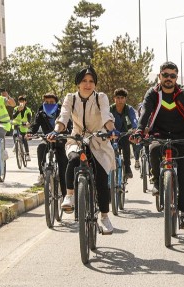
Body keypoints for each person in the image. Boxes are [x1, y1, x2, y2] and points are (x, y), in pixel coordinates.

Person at [48, 66, 118, 235]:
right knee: (73, 159)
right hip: (77, 138)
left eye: (91, 81)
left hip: (98, 140)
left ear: (95, 84)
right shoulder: (70, 98)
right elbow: (64, 115)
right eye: (84, 81)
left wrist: (112, 130)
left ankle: (104, 216)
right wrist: (57, 130)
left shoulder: (101, 97)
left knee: (101, 178)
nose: (88, 84)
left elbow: (106, 115)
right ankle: (70, 196)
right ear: (78, 83)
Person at [131, 61, 184, 229]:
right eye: (165, 75)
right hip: (159, 133)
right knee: (153, 149)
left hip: (182, 136)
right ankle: (156, 181)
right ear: (159, 76)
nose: (169, 78)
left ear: (176, 77)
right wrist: (140, 130)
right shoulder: (153, 93)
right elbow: (146, 111)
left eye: (172, 76)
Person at [27, 93, 68, 193]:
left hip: (60, 139)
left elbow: (68, 124)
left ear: (56, 102)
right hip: (47, 139)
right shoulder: (41, 111)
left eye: (51, 102)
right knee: (41, 147)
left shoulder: (62, 111)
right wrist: (30, 133)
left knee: (63, 169)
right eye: (46, 102)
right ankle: (42, 174)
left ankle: (65, 196)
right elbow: (36, 124)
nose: (49, 104)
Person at [110, 88, 138, 179]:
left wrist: (134, 128)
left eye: (122, 98)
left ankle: (127, 168)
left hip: (124, 133)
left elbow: (134, 119)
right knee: (109, 150)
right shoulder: (110, 109)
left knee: (126, 144)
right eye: (118, 98)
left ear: (125, 99)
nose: (120, 100)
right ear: (114, 98)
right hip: (112, 134)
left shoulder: (129, 109)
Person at [12, 95, 33, 161]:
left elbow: (29, 118)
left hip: (23, 126)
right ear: (18, 102)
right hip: (16, 125)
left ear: (25, 102)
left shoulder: (28, 110)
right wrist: (18, 110)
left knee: (24, 139)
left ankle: (27, 154)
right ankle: (16, 145)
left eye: (23, 101)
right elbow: (13, 116)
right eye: (20, 101)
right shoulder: (16, 108)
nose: (21, 102)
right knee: (15, 135)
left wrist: (28, 123)